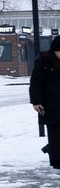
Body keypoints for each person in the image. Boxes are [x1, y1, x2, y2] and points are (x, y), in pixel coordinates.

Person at [30, 38, 60, 169]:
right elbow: (35, 82)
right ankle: (56, 160)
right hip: (50, 104)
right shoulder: (44, 61)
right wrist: (36, 101)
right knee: (54, 133)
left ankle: (52, 150)